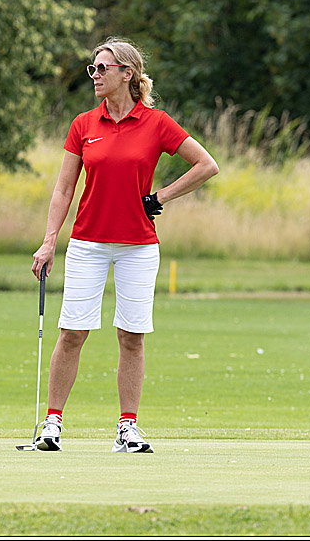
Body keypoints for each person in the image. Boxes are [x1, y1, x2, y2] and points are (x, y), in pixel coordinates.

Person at [30, 37, 218, 453]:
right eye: (92, 69)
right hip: (87, 243)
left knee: (132, 335)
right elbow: (63, 191)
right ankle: (52, 423)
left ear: (126, 74)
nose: (94, 76)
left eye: (102, 68)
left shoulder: (156, 122)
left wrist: (160, 197)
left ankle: (128, 427)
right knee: (73, 331)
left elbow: (207, 165)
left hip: (138, 244)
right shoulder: (83, 124)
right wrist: (48, 243)